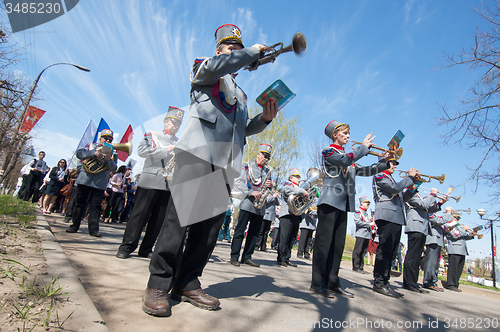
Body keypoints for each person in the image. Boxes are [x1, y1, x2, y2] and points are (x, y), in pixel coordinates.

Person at [142, 24, 278, 317]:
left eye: (239, 49)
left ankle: (188, 281)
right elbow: (221, 66)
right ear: (219, 51)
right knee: (178, 222)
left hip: (226, 162)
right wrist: (252, 52)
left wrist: (264, 120)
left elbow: (241, 128)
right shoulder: (204, 69)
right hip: (197, 153)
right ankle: (158, 284)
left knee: (209, 230)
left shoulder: (240, 94)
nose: (236, 53)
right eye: (232, 48)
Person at [311, 120, 390, 299]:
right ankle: (317, 283)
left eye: (348, 133)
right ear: (335, 135)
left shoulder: (350, 158)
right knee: (324, 245)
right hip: (329, 202)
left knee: (337, 246)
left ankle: (332, 282)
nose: (347, 136)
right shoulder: (329, 152)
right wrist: (363, 148)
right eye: (344, 133)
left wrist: (384, 162)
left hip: (343, 204)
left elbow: (367, 170)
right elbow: (346, 160)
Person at [116, 107, 184, 259]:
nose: (175, 126)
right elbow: (142, 151)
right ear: (165, 121)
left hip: (168, 185)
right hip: (150, 181)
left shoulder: (181, 142)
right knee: (138, 216)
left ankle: (146, 248)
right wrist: (167, 149)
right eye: (173, 122)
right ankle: (126, 247)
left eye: (179, 124)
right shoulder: (153, 135)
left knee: (158, 220)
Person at [372, 158, 417, 298]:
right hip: (386, 216)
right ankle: (379, 283)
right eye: (393, 163)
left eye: (396, 164)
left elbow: (402, 198)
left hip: (396, 217)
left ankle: (385, 282)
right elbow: (396, 189)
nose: (395, 167)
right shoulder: (379, 174)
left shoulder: (391, 179)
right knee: (384, 250)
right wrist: (409, 177)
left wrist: (413, 186)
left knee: (391, 253)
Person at [66, 129, 117, 237]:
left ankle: (93, 229)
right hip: (85, 179)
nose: (107, 140)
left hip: (99, 182)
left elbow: (113, 168)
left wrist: (108, 160)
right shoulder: (91, 146)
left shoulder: (113, 153)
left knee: (96, 205)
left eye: (110, 139)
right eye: (105, 138)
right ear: (100, 139)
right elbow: (79, 154)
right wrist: (93, 153)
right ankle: (74, 225)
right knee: (79, 203)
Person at [230, 144, 273, 268]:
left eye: (268, 157)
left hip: (260, 207)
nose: (266, 159)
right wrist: (250, 192)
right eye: (264, 156)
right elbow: (238, 181)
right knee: (240, 230)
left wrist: (270, 186)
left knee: (254, 233)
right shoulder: (247, 166)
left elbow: (269, 189)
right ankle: (234, 256)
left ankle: (247, 256)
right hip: (248, 203)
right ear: (258, 154)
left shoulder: (267, 171)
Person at [402, 187, 447, 293]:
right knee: (412, 256)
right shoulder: (410, 194)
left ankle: (413, 282)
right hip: (415, 226)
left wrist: (440, 204)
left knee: (417, 257)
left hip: (422, 227)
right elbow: (423, 205)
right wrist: (432, 195)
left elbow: (427, 210)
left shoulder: (417, 195)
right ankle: (409, 282)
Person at [277, 168, 308, 268]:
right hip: (286, 215)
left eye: (299, 177)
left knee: (292, 238)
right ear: (291, 177)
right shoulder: (288, 185)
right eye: (296, 176)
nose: (299, 179)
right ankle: (281, 258)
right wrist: (302, 191)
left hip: (296, 215)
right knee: (284, 237)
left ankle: (287, 258)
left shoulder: (298, 188)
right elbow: (287, 191)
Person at [422, 208, 454, 292]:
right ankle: (428, 282)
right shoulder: (430, 213)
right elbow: (438, 221)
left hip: (438, 240)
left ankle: (433, 281)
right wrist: (448, 214)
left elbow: (438, 226)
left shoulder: (435, 214)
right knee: (431, 263)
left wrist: (445, 230)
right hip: (432, 239)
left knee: (436, 263)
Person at [445, 216, 474, 292]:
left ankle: (455, 284)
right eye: (456, 218)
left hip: (462, 250)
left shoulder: (459, 228)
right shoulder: (450, 226)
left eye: (458, 219)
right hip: (455, 249)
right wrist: (464, 230)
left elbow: (464, 237)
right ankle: (451, 284)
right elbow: (455, 235)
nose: (458, 220)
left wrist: (472, 235)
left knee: (459, 269)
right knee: (453, 268)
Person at [352, 196, 373, 273]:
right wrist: (369, 224)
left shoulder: (366, 213)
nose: (368, 205)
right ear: (362, 203)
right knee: (358, 250)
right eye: (367, 203)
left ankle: (361, 267)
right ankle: (356, 266)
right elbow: (358, 222)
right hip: (361, 234)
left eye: (369, 203)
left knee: (363, 251)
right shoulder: (358, 211)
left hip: (367, 234)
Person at [256, 181, 279, 253]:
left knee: (266, 232)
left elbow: (277, 203)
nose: (273, 189)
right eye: (273, 187)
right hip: (265, 213)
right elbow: (267, 201)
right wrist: (273, 197)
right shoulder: (267, 193)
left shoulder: (272, 194)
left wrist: (276, 198)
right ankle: (257, 245)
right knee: (261, 231)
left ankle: (263, 246)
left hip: (270, 216)